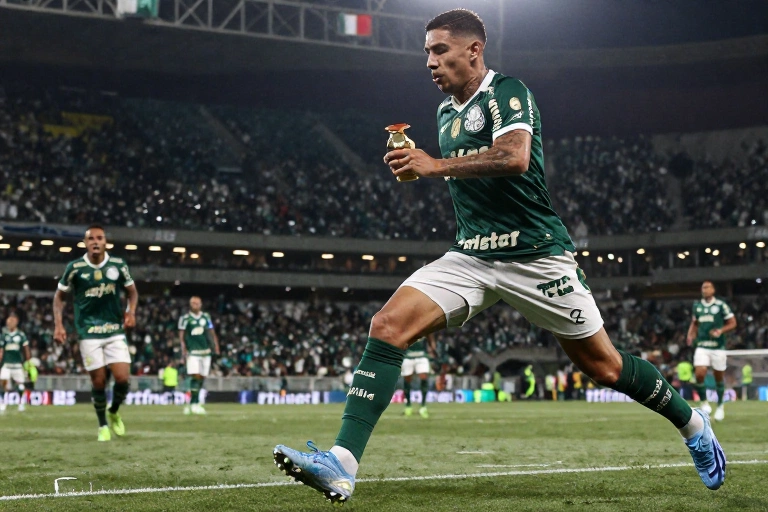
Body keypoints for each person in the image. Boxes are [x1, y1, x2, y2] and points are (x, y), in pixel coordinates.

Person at [273, 9, 726, 504]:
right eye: (426, 52)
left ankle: (693, 424)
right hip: (471, 255)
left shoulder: (507, 91)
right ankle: (341, 464)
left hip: (536, 254)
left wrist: (434, 165)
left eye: (439, 50)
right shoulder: (445, 113)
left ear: (473, 50)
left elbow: (514, 157)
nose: (430, 61)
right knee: (387, 326)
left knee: (606, 368)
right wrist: (420, 167)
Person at [53, 225, 138, 441]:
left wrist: (130, 312)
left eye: (99, 238)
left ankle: (114, 411)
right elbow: (59, 297)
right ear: (85, 243)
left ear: (105, 242)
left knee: (122, 379)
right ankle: (102, 426)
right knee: (99, 382)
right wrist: (59, 325)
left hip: (114, 330)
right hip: (88, 332)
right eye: (91, 239)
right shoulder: (75, 267)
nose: (95, 242)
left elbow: (132, 292)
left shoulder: (118, 265)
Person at [686, 281, 737, 421]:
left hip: (718, 347)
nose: (705, 290)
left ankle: (720, 406)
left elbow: (733, 322)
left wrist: (721, 330)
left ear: (713, 290)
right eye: (703, 287)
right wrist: (690, 335)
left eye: (707, 287)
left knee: (718, 377)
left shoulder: (721, 305)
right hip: (702, 345)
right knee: (699, 373)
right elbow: (695, 323)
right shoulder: (697, 306)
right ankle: (704, 403)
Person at [178, 296, 219, 415]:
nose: (194, 305)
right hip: (193, 352)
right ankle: (194, 404)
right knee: (195, 375)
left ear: (201, 304)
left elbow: (211, 332)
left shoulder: (206, 317)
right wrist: (183, 350)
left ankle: (193, 403)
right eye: (192, 303)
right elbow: (182, 336)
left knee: (201, 377)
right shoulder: (185, 319)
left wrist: (216, 346)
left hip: (206, 351)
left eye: (197, 303)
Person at [0, 312, 31, 413]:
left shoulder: (21, 335)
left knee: (20, 386)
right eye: (8, 321)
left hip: (17, 365)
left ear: (16, 322)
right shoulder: (4, 335)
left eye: (11, 321)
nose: (9, 323)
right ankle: (3, 403)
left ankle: (21, 403)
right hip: (7, 364)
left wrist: (28, 362)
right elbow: (1, 350)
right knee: (3, 383)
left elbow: (26, 349)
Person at [401, 333, 435, 418]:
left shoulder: (424, 326)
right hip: (408, 355)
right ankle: (408, 405)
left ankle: (423, 406)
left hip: (422, 355)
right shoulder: (406, 326)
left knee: (424, 378)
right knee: (407, 380)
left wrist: (432, 349)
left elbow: (430, 335)